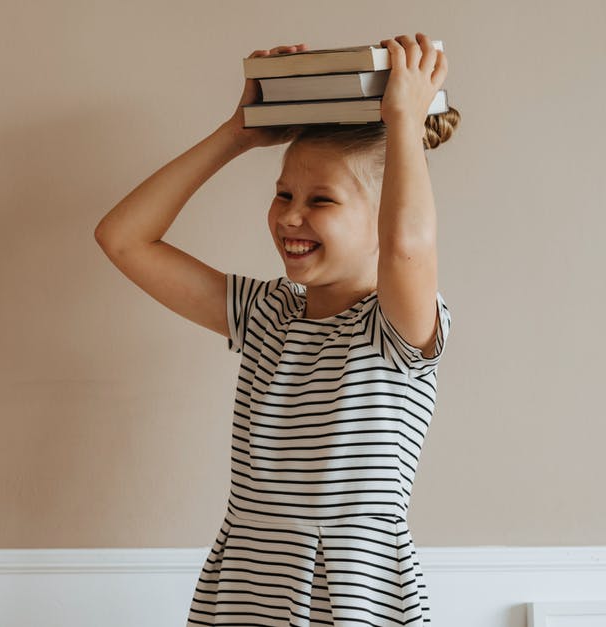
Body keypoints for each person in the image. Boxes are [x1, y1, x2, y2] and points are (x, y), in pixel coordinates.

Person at [95, 34, 459, 625]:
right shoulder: (266, 314)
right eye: (283, 193)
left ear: (382, 218)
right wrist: (237, 133)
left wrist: (402, 120)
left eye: (321, 200)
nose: (290, 214)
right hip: (248, 580)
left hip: (352, 591)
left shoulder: (396, 330)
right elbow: (123, 238)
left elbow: (408, 247)